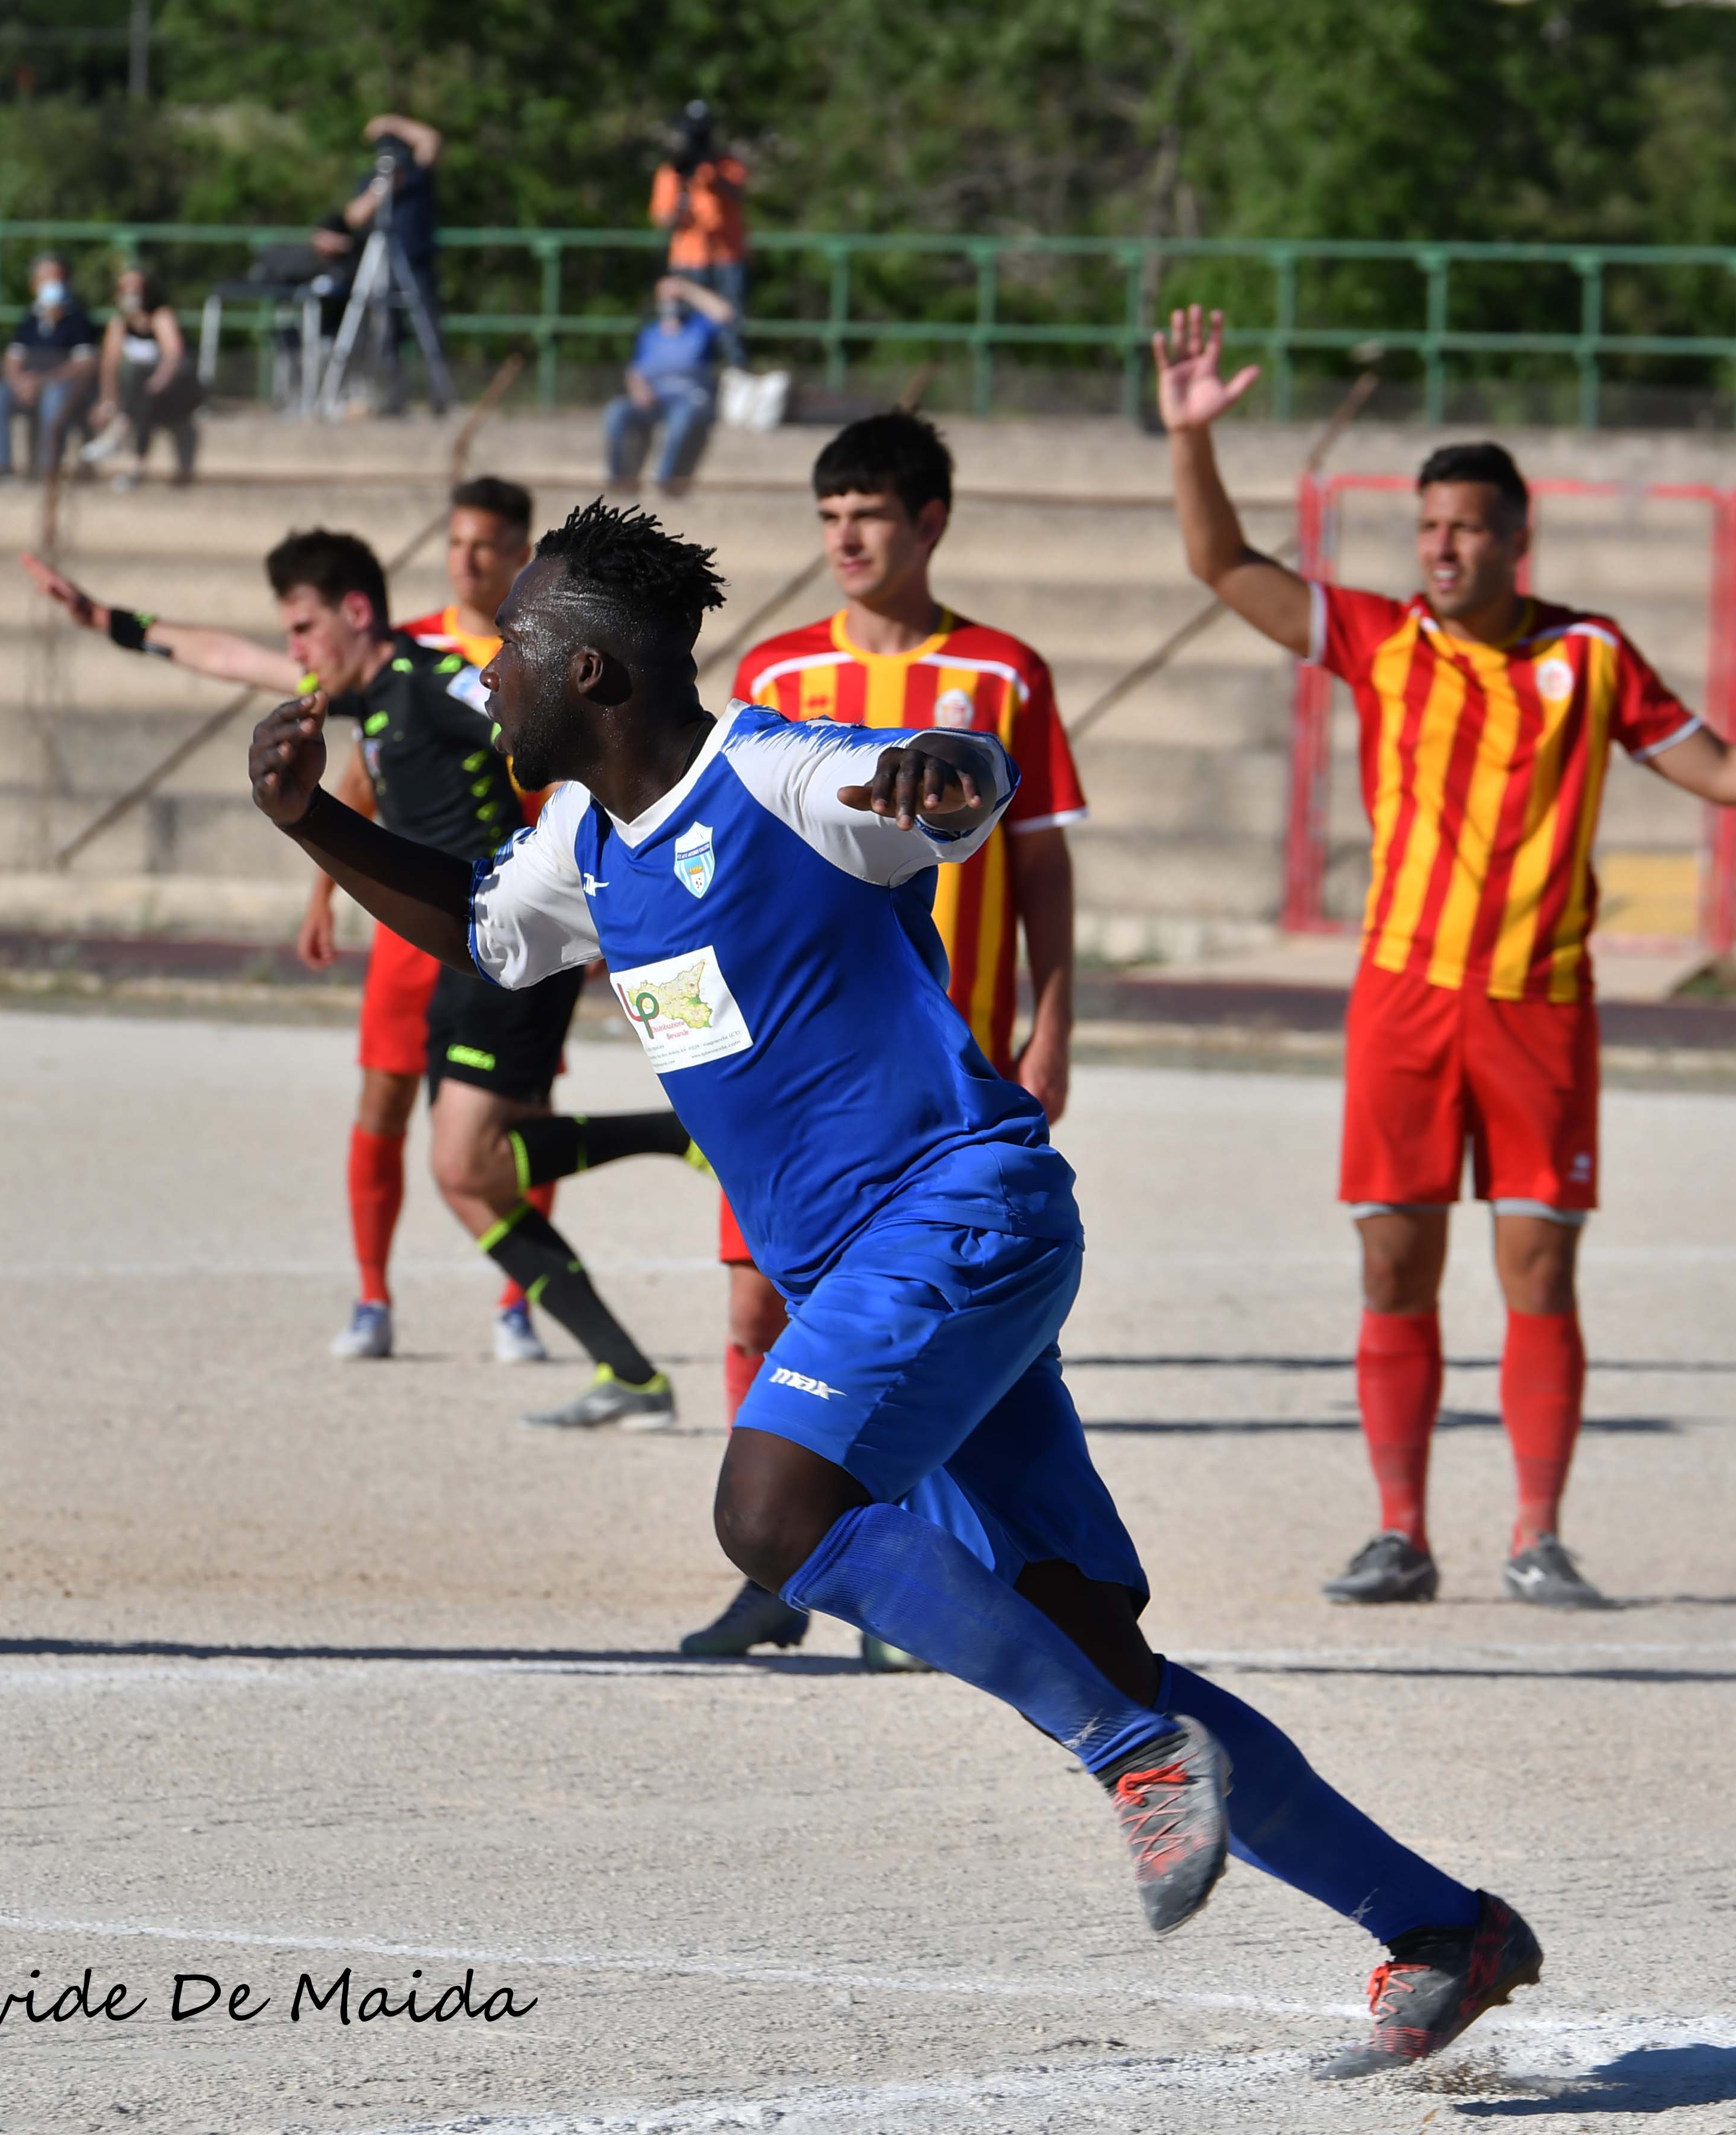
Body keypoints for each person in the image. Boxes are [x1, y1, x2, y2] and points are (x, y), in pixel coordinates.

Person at [246, 494, 1549, 2080]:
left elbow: (925, 780)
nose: (489, 671)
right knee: (1087, 1636)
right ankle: (1439, 1929)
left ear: (590, 672)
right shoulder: (586, 844)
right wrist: (318, 823)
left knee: (770, 1515)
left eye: (516, 642)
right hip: (893, 1269)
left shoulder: (780, 775)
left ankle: (1137, 1765)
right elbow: (485, 933)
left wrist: (957, 771)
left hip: (959, 1212)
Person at [1155, 307, 1736, 1609]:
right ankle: (1399, 1531)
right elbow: (1221, 562)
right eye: (1428, 528)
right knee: (1392, 1257)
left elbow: (1710, 768)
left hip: (1538, 1005)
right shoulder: (1380, 639)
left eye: (1468, 528)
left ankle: (1536, 1533)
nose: (1442, 548)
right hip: (1403, 996)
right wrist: (1191, 440)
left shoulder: (1588, 655)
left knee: (1538, 1264)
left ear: (1514, 538)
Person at [22, 530, 688, 1428]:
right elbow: (229, 657)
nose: (293, 654)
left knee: (466, 1165)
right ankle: (632, 1371)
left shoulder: (428, 682)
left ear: (356, 612)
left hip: (512, 946)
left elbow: (534, 716)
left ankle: (676, 1145)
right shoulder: (366, 697)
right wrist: (111, 622)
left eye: (304, 630)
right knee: (468, 1177)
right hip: (466, 949)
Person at [659, 411, 1087, 1663]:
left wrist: (1053, 1015)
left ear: (929, 522)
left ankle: (906, 1578)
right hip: (794, 1071)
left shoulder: (1003, 673)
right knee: (756, 1290)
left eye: (870, 515)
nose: (845, 537)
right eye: (828, 516)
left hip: (949, 1069)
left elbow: (1042, 857)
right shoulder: (780, 678)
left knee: (922, 1318)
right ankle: (778, 1572)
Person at [291, 479, 577, 1368]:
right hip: (413, 919)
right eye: (457, 544)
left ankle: (518, 1304)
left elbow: (564, 788)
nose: (468, 560)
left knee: (518, 1115)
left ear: (521, 554)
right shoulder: (405, 650)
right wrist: (322, 893)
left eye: (488, 546)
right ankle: (373, 1296)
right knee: (383, 1100)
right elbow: (367, 775)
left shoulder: (538, 658)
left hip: (506, 922)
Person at [342, 112, 447, 416]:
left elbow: (431, 140)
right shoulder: (373, 181)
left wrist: (390, 123)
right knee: (386, 334)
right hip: (382, 265)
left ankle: (439, 399)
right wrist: (383, 188)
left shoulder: (418, 174)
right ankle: (393, 400)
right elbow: (354, 216)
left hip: (417, 263)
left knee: (428, 330)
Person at [603, 278, 732, 494]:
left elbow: (725, 313)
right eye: (667, 298)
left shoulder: (699, 328)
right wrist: (639, 389)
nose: (672, 303)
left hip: (689, 399)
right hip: (655, 399)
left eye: (676, 299)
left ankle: (668, 481)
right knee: (617, 412)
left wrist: (687, 290)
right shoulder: (651, 334)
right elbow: (636, 371)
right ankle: (622, 480)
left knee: (685, 416)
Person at [649, 101, 748, 363]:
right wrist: (681, 202)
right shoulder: (673, 170)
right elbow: (662, 218)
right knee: (682, 327)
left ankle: (734, 382)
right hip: (687, 260)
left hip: (727, 258)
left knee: (731, 327)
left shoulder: (727, 166)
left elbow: (737, 195)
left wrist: (712, 175)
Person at [0, 253, 98, 481]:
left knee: (54, 399)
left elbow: (84, 363)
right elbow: (12, 358)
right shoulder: (29, 319)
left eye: (56, 279)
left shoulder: (79, 319)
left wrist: (45, 382)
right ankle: (1, 467)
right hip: (29, 384)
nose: (51, 286)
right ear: (34, 285)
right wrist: (19, 382)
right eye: (44, 280)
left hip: (62, 387)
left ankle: (48, 467)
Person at [87, 264, 202, 488]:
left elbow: (173, 357)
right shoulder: (119, 323)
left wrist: (155, 384)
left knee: (143, 382)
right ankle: (133, 462)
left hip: (178, 386)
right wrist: (107, 401)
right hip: (143, 396)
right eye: (124, 287)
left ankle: (120, 437)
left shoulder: (161, 316)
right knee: (141, 399)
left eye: (135, 287)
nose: (130, 293)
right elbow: (110, 365)